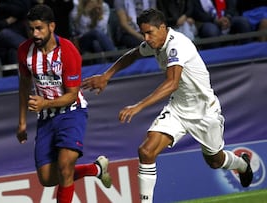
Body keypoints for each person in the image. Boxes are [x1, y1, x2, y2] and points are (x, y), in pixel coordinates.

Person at [82, 8, 253, 203]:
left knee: (215, 161)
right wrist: (106, 75)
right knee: (146, 151)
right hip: (178, 109)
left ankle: (242, 164)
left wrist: (138, 106)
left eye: (149, 33)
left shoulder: (177, 45)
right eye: (143, 33)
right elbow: (133, 54)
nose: (146, 38)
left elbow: (172, 83)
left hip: (205, 111)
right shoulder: (155, 43)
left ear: (163, 28)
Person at [16, 4, 111, 203]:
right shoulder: (25, 51)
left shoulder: (68, 52)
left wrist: (44, 103)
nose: (35, 33)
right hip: (46, 117)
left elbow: (71, 95)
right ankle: (95, 169)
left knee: (65, 166)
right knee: (47, 179)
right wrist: (22, 122)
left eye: (39, 28)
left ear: (52, 26)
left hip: (71, 112)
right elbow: (24, 85)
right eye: (31, 29)